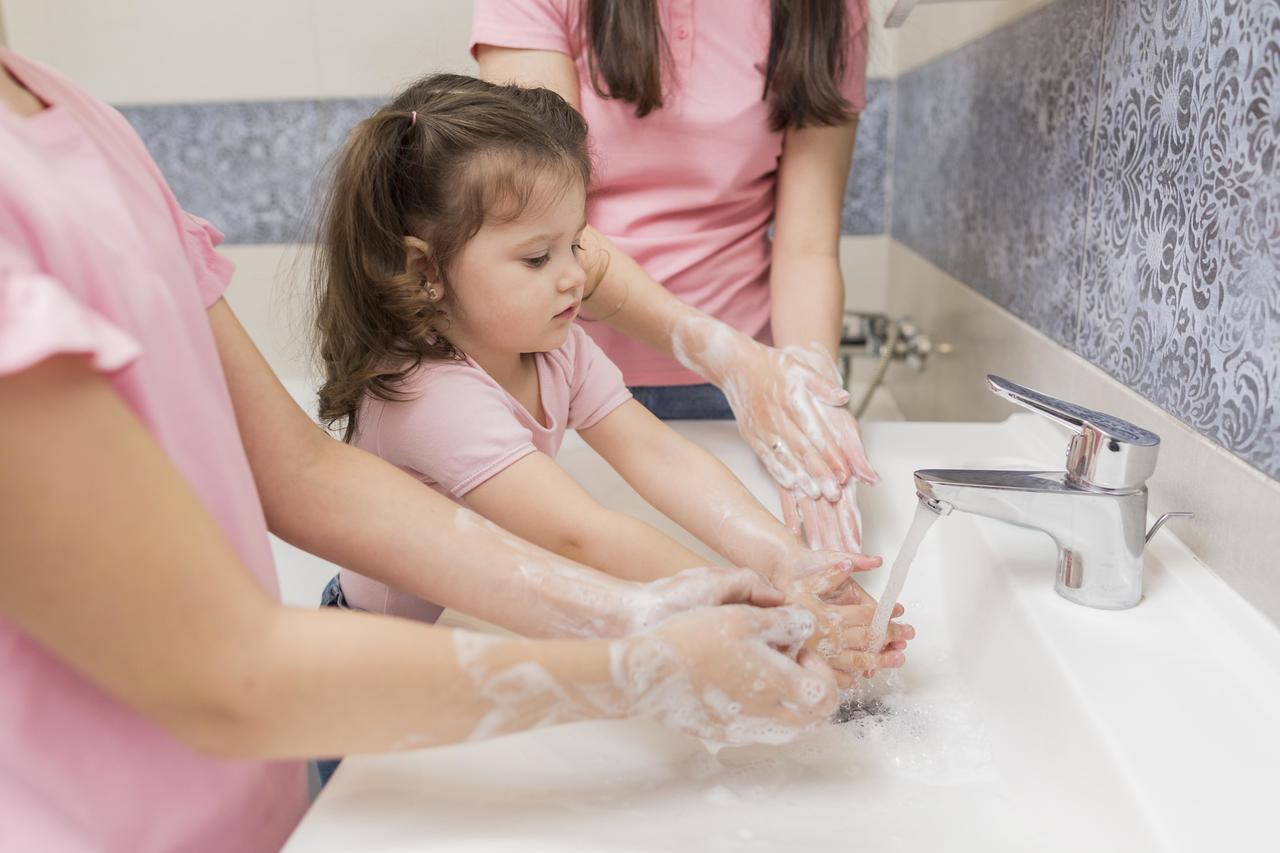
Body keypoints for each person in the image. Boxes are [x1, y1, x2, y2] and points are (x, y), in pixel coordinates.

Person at [0, 48, 841, 851]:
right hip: (336, 679)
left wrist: (779, 563)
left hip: (260, 771)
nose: (575, 277)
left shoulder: (83, 121)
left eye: (576, 244)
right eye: (538, 256)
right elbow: (575, 534)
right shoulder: (429, 396)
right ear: (428, 270)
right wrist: (702, 628)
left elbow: (304, 471)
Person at [471, 0, 877, 552]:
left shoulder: (829, 11)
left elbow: (806, 249)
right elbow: (534, 227)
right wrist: (723, 354)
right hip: (553, 372)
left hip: (737, 394)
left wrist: (805, 393)